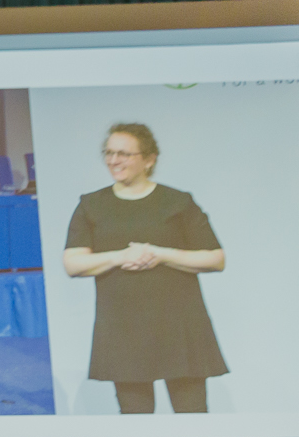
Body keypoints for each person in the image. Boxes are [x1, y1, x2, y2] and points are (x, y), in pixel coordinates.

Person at [62, 122, 227, 415]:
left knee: (194, 418)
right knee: (136, 423)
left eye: (124, 153)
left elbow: (215, 258)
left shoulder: (177, 202)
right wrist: (119, 256)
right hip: (123, 326)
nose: (114, 160)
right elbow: (73, 263)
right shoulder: (92, 205)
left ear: (149, 160)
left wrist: (160, 254)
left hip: (179, 324)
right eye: (109, 153)